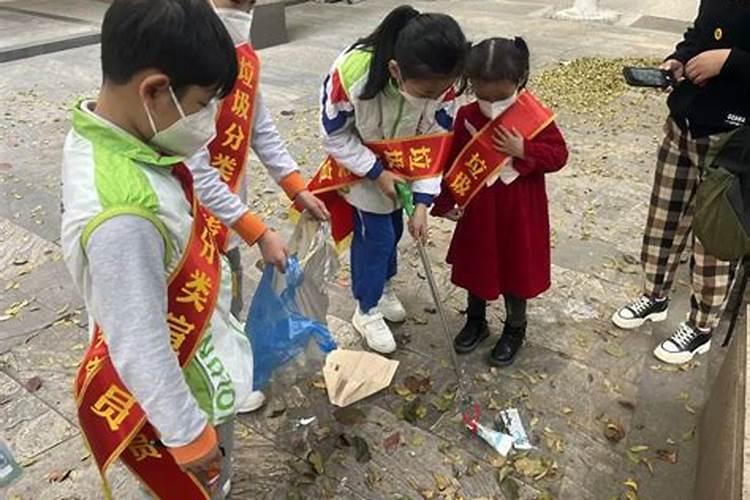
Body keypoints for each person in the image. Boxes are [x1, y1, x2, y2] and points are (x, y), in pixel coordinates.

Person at [60, 0, 254, 497]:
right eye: (204, 101)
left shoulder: (112, 135)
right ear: (154, 90)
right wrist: (190, 437)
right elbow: (140, 342)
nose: (210, 119)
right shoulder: (124, 216)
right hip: (179, 388)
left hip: (193, 342)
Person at [185, 0, 329, 415]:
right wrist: (259, 231)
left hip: (225, 212)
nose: (242, 9)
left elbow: (257, 124)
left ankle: (224, 375)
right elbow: (195, 168)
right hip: (189, 215)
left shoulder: (243, 50)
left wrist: (295, 186)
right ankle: (197, 394)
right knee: (195, 305)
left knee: (227, 296)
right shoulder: (186, 50)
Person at [319, 5, 467, 354]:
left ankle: (383, 287)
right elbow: (333, 136)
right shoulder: (351, 73)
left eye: (442, 91)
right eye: (427, 93)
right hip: (360, 163)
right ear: (395, 70)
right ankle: (365, 308)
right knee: (375, 239)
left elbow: (435, 146)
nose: (437, 98)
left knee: (395, 231)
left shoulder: (444, 84)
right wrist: (375, 171)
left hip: (404, 169)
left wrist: (422, 204)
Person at [611, 0, 750, 364]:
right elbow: (699, 34)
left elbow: (726, 53)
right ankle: (654, 296)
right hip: (685, 122)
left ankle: (701, 325)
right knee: (663, 219)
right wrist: (680, 59)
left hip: (731, 138)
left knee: (712, 238)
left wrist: (730, 60)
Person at [432, 38, 568, 366]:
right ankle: (476, 320)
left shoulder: (533, 117)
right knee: (479, 263)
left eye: (500, 96)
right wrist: (445, 202)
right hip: (479, 209)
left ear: (519, 80)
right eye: (483, 95)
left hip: (520, 209)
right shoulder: (465, 114)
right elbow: (450, 164)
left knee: (515, 266)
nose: (491, 103)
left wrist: (525, 151)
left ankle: (515, 327)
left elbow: (559, 155)